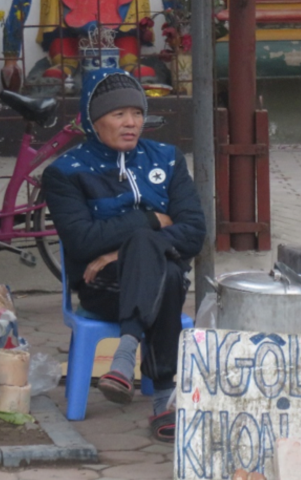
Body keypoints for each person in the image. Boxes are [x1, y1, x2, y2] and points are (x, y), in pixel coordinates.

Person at [43, 68, 205, 441]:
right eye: (119, 115)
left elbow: (195, 232)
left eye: (137, 113)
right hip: (104, 287)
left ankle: (125, 352)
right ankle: (164, 399)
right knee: (158, 261)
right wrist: (150, 219)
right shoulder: (66, 173)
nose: (131, 123)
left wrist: (120, 249)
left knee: (155, 260)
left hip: (159, 275)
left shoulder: (167, 159)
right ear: (93, 120)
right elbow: (82, 242)